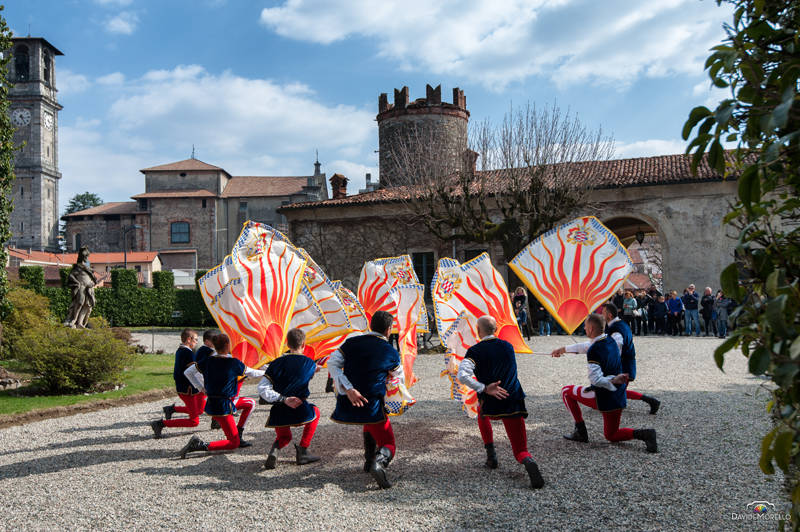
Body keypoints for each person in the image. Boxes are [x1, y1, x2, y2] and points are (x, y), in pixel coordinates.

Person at [457, 316, 545, 489]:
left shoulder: (475, 351)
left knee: (482, 413)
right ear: (496, 329)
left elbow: (462, 375)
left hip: (491, 401)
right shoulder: (508, 347)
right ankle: (527, 459)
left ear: (478, 330)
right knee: (520, 449)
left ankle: (491, 456)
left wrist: (483, 387)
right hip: (513, 399)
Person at [551, 313, 658, 453]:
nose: (583, 328)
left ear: (590, 329)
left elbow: (596, 379)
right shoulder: (610, 339)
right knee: (611, 435)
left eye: (585, 326)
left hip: (603, 397)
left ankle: (580, 431)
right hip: (618, 396)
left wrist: (612, 380)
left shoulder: (594, 350)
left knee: (566, 391)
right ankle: (646, 434)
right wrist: (563, 349)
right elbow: (586, 346)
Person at [328, 310, 403, 489]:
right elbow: (397, 379)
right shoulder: (390, 351)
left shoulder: (350, 343)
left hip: (349, 403)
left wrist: (349, 389)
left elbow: (332, 363)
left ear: (371, 325)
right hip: (372, 404)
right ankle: (379, 463)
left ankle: (369, 461)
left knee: (370, 422)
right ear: (388, 329)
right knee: (389, 443)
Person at [178, 333, 265, 458]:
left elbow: (188, 372)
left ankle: (238, 433)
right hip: (223, 406)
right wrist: (269, 372)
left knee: (250, 403)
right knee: (233, 443)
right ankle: (200, 445)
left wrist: (201, 388)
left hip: (213, 403)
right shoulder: (233, 363)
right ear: (228, 345)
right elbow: (252, 373)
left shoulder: (209, 361)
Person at [258, 328, 321, 469]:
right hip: (300, 409)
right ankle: (303, 450)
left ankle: (275, 449)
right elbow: (306, 375)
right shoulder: (310, 364)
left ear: (287, 344)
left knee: (285, 437)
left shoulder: (275, 363)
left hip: (279, 410)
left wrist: (283, 398)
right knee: (315, 412)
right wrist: (315, 369)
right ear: (303, 344)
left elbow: (262, 388)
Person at [150, 329, 206, 438]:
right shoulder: (188, 353)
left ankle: (171, 409)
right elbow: (194, 372)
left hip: (185, 389)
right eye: (195, 340)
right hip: (187, 390)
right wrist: (204, 383)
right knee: (194, 422)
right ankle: (160, 424)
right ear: (189, 340)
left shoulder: (181, 350)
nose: (196, 342)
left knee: (199, 410)